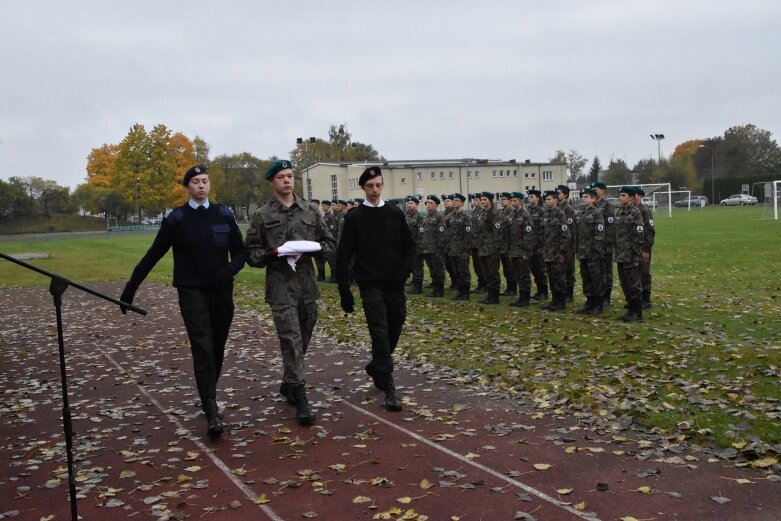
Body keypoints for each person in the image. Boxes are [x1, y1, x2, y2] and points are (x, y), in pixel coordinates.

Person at [120, 165, 246, 437]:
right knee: (202, 345)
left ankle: (208, 393)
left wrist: (228, 271)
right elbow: (154, 253)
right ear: (188, 187)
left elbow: (240, 252)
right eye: (196, 182)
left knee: (217, 345)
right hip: (191, 291)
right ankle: (211, 408)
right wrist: (131, 287)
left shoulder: (224, 214)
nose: (201, 185)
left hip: (221, 290)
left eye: (205, 181)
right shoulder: (176, 219)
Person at [245, 160, 336, 426]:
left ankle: (289, 381)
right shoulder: (262, 215)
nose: (287, 180)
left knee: (303, 338)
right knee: (291, 340)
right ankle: (301, 398)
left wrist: (316, 249)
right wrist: (273, 254)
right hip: (280, 288)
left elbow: (330, 243)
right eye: (282, 177)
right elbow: (251, 254)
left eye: (290, 176)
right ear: (272, 182)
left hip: (307, 288)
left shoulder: (310, 210)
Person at [336, 166, 415, 412]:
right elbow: (344, 255)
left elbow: (410, 248)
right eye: (370, 186)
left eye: (378, 185)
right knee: (379, 331)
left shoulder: (394, 213)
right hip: (369, 284)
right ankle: (389, 387)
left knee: (396, 325)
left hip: (394, 284)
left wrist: (403, 274)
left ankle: (377, 365)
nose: (374, 190)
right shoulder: (354, 217)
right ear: (363, 188)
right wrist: (344, 289)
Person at [614, 186, 645, 321]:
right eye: (620, 195)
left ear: (632, 197)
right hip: (621, 254)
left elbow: (639, 235)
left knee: (633, 283)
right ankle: (631, 309)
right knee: (625, 283)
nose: (621, 197)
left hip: (631, 255)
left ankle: (637, 312)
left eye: (624, 195)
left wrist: (637, 255)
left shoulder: (635, 212)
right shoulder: (620, 211)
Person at [574, 187, 605, 314]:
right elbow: (577, 234)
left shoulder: (597, 213)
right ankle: (589, 302)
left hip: (593, 253)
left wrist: (597, 252)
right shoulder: (581, 213)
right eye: (582, 196)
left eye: (586, 197)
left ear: (593, 199)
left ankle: (598, 304)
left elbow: (599, 235)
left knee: (596, 279)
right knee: (586, 278)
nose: (583, 199)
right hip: (582, 252)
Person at [541, 190, 570, 311]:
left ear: (555, 200)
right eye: (546, 199)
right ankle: (554, 300)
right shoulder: (546, 214)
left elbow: (566, 235)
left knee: (559, 277)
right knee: (551, 277)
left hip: (556, 252)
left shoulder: (560, 214)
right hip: (548, 251)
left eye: (548, 199)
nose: (546, 201)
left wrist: (562, 251)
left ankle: (561, 301)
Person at [506, 192, 535, 307]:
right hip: (513, 250)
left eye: (515, 201)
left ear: (521, 202)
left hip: (522, 251)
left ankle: (525, 298)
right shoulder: (512, 214)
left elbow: (528, 234)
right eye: (511, 201)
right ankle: (520, 297)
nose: (512, 203)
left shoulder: (525, 215)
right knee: (517, 274)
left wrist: (526, 251)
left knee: (524, 275)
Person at [474, 192, 502, 304]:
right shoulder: (482, 213)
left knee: (493, 273)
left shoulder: (495, 214)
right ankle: (489, 295)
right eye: (481, 200)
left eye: (484, 199)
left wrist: (496, 247)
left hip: (492, 248)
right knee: (486, 273)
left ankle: (495, 297)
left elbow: (498, 232)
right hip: (483, 248)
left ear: (490, 200)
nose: (482, 201)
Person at [591, 181, 616, 306]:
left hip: (605, 245)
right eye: (593, 189)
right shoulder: (591, 205)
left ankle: (607, 296)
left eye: (596, 189)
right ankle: (597, 295)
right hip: (593, 246)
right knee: (597, 272)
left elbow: (611, 228)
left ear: (602, 191)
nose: (594, 191)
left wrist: (607, 245)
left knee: (606, 271)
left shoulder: (607, 206)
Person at [445, 193, 473, 300]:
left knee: (464, 271)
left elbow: (469, 235)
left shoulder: (465, 217)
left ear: (462, 203)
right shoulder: (451, 217)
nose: (454, 202)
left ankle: (465, 293)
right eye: (453, 200)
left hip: (462, 250)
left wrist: (466, 249)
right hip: (452, 249)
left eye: (457, 200)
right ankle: (460, 291)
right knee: (456, 271)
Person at [420, 195, 447, 297]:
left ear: (436, 205)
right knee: (432, 270)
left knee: (438, 270)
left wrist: (440, 249)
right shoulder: (426, 217)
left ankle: (439, 290)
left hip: (436, 249)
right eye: (427, 203)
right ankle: (435, 289)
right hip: (427, 249)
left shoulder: (439, 217)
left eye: (431, 203)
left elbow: (441, 234)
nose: (428, 205)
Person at [634, 187, 656, 309]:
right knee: (635, 274)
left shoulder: (645, 211)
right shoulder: (631, 210)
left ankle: (646, 299)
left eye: (636, 195)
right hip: (634, 248)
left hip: (643, 248)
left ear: (640, 197)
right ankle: (637, 298)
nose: (634, 197)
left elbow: (650, 231)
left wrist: (646, 249)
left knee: (644, 273)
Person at [526, 189, 548, 301]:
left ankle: (544, 292)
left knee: (540, 269)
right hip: (530, 245)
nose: (529, 198)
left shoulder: (541, 211)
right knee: (533, 269)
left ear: (538, 198)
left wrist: (541, 246)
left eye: (532, 196)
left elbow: (543, 231)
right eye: (528, 196)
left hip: (538, 245)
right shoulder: (528, 210)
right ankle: (539, 291)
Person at [556, 185, 577, 303]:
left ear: (565, 195)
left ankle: (569, 294)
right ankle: (562, 292)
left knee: (569, 270)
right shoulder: (555, 207)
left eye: (559, 193)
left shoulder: (568, 209)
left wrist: (569, 246)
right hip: (558, 244)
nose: (556, 195)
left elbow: (571, 229)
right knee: (560, 270)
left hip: (568, 245)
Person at [498, 192, 517, 297]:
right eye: (501, 199)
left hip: (510, 246)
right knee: (506, 269)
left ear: (510, 201)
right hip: (502, 246)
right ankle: (509, 288)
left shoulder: (513, 213)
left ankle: (513, 289)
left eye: (504, 199)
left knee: (511, 269)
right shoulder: (501, 213)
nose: (502, 201)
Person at [404, 195, 424, 294]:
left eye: (411, 203)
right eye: (408, 203)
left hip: (416, 246)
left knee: (417, 267)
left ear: (416, 205)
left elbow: (421, 234)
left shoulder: (419, 217)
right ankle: (414, 284)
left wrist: (419, 247)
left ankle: (418, 287)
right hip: (407, 247)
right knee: (411, 266)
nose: (409, 205)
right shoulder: (406, 216)